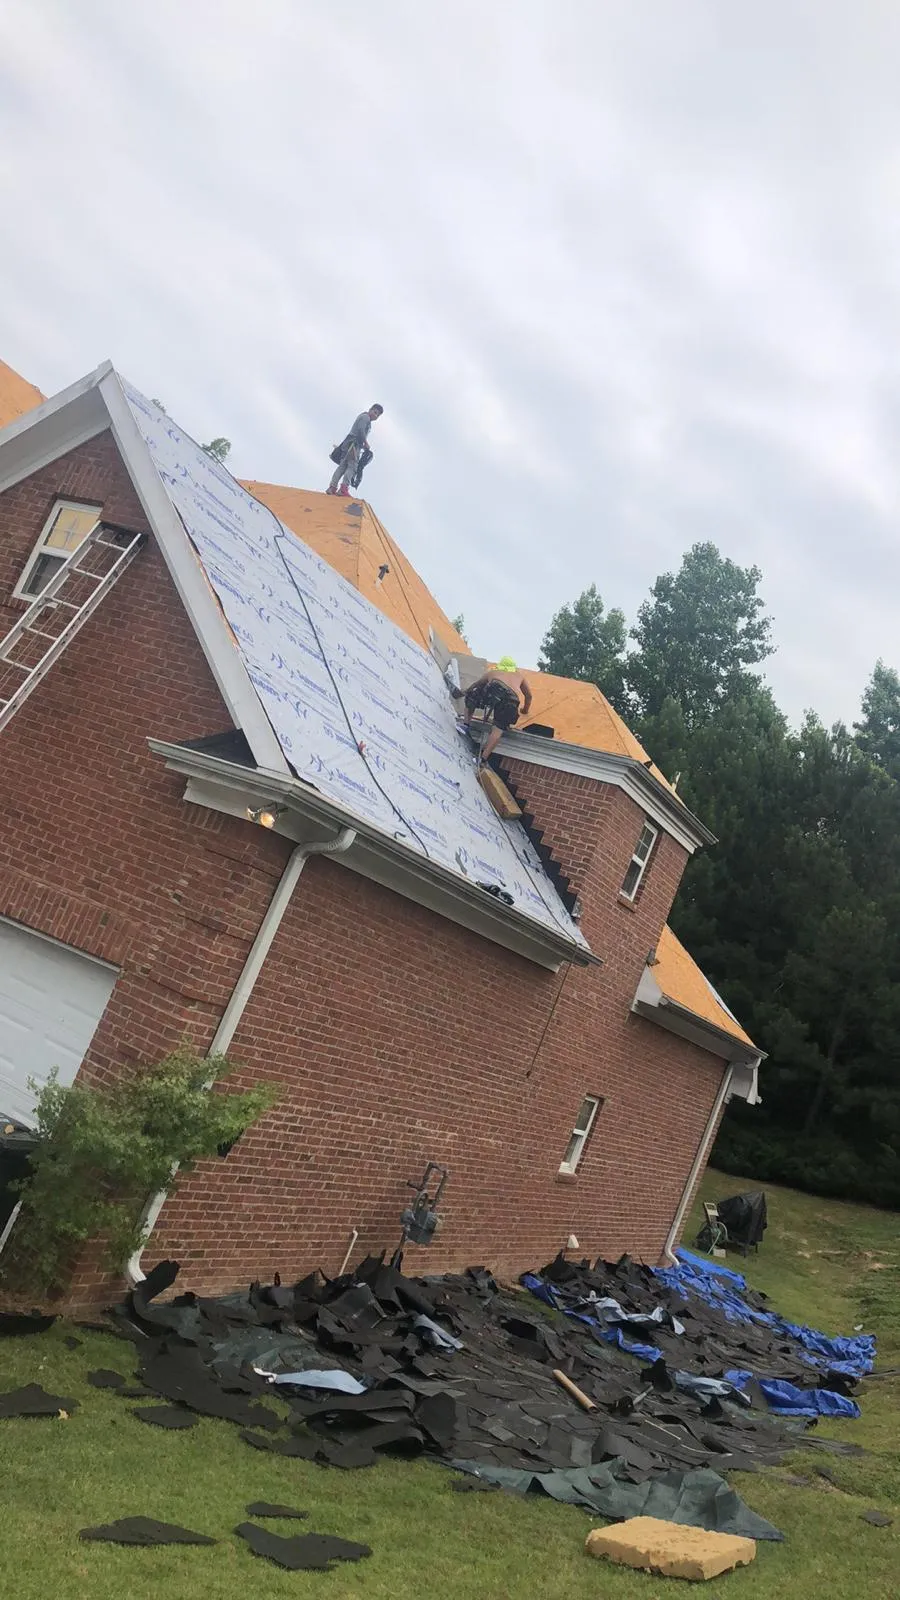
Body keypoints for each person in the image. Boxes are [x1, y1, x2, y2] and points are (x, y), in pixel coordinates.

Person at [452, 664, 533, 762]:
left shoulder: (493, 672)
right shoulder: (519, 676)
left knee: (474, 694)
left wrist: (464, 692)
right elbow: (529, 696)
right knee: (498, 729)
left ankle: (466, 725)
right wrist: (525, 710)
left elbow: (476, 685)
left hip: (495, 688)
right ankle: (482, 758)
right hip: (512, 700)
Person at [327, 405, 383, 496]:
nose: (375, 415)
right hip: (354, 444)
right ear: (370, 410)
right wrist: (365, 443)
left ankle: (332, 487)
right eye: (375, 412)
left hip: (348, 443)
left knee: (343, 466)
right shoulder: (366, 417)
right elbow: (361, 430)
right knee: (352, 466)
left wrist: (363, 445)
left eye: (378, 415)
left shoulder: (363, 417)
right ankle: (343, 489)